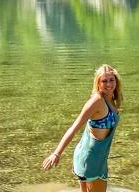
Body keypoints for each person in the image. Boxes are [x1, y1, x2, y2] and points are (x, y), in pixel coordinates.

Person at [42, 64, 123, 192]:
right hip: (91, 160)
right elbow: (74, 128)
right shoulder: (96, 101)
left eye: (111, 80)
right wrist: (56, 153)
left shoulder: (111, 100)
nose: (109, 84)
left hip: (96, 157)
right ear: (98, 83)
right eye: (104, 81)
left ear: (116, 81)